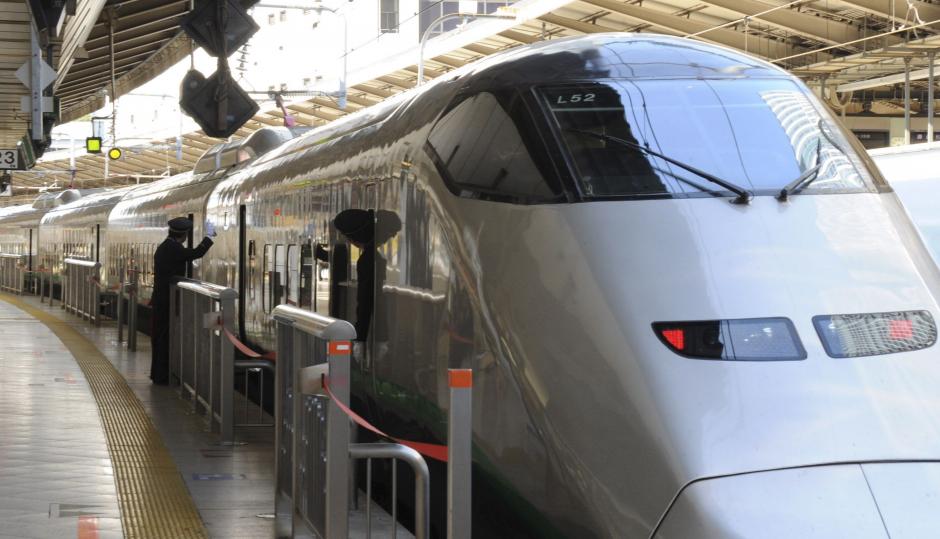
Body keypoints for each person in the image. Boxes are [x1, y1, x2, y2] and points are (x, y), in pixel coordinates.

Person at [150, 217, 215, 385]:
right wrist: (209, 237)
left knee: (160, 336)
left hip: (161, 298)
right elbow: (196, 253)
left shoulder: (166, 246)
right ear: (184, 235)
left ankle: (159, 374)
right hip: (166, 300)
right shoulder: (173, 248)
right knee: (164, 337)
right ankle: (162, 376)